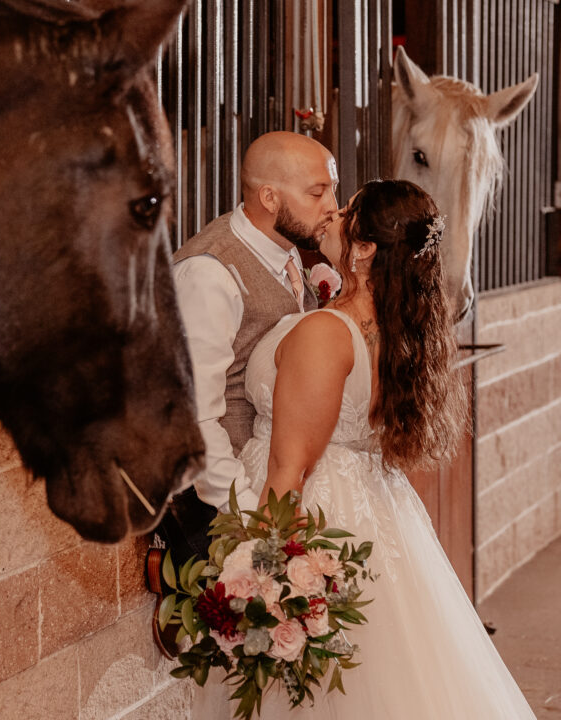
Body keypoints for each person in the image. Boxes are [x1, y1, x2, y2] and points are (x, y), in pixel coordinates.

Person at [242, 179, 535, 717]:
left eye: (348, 209)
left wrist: (261, 578)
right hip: (375, 512)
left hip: (314, 519)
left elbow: (289, 469)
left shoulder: (327, 334)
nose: (333, 211)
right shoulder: (399, 328)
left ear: (365, 248)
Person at [155, 131, 339, 567]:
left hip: (276, 486)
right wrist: (251, 519)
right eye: (318, 192)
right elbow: (195, 419)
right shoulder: (209, 274)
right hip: (223, 512)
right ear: (270, 198)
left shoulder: (291, 256)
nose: (333, 205)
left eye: (332, 188)